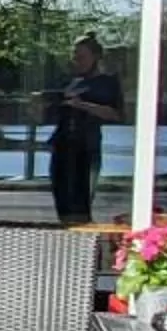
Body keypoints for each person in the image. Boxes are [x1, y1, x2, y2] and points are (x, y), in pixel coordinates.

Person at [43, 35, 124, 226]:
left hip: (87, 147)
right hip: (63, 145)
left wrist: (83, 105)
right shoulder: (69, 81)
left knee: (82, 203)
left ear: (95, 57)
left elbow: (115, 114)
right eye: (74, 56)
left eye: (82, 57)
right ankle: (69, 237)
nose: (76, 61)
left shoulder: (106, 83)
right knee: (63, 201)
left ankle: (88, 244)